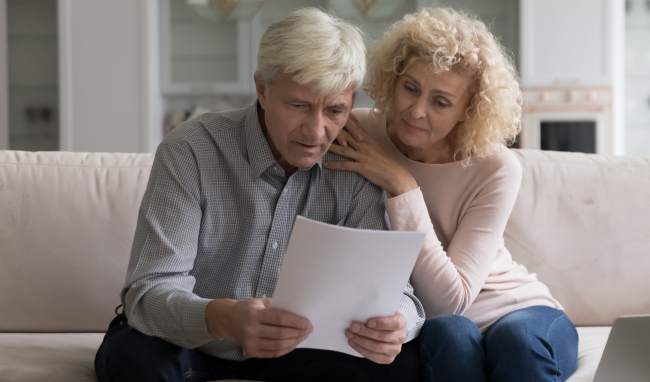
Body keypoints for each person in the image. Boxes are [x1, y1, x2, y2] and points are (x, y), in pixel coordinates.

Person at [94, 8, 425, 382]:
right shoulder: (191, 151)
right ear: (262, 90)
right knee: (137, 358)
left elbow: (401, 295)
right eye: (298, 105)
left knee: (406, 364)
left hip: (301, 353)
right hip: (192, 343)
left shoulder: (357, 165)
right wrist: (224, 317)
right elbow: (148, 293)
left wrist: (398, 323)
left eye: (335, 110)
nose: (317, 131)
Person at [325, 8, 578, 382]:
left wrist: (403, 185)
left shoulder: (495, 167)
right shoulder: (359, 131)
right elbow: (441, 313)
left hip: (517, 309)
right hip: (434, 320)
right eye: (410, 87)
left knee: (516, 339)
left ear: (468, 111)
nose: (416, 110)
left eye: (440, 102)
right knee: (447, 332)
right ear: (393, 79)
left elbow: (452, 299)